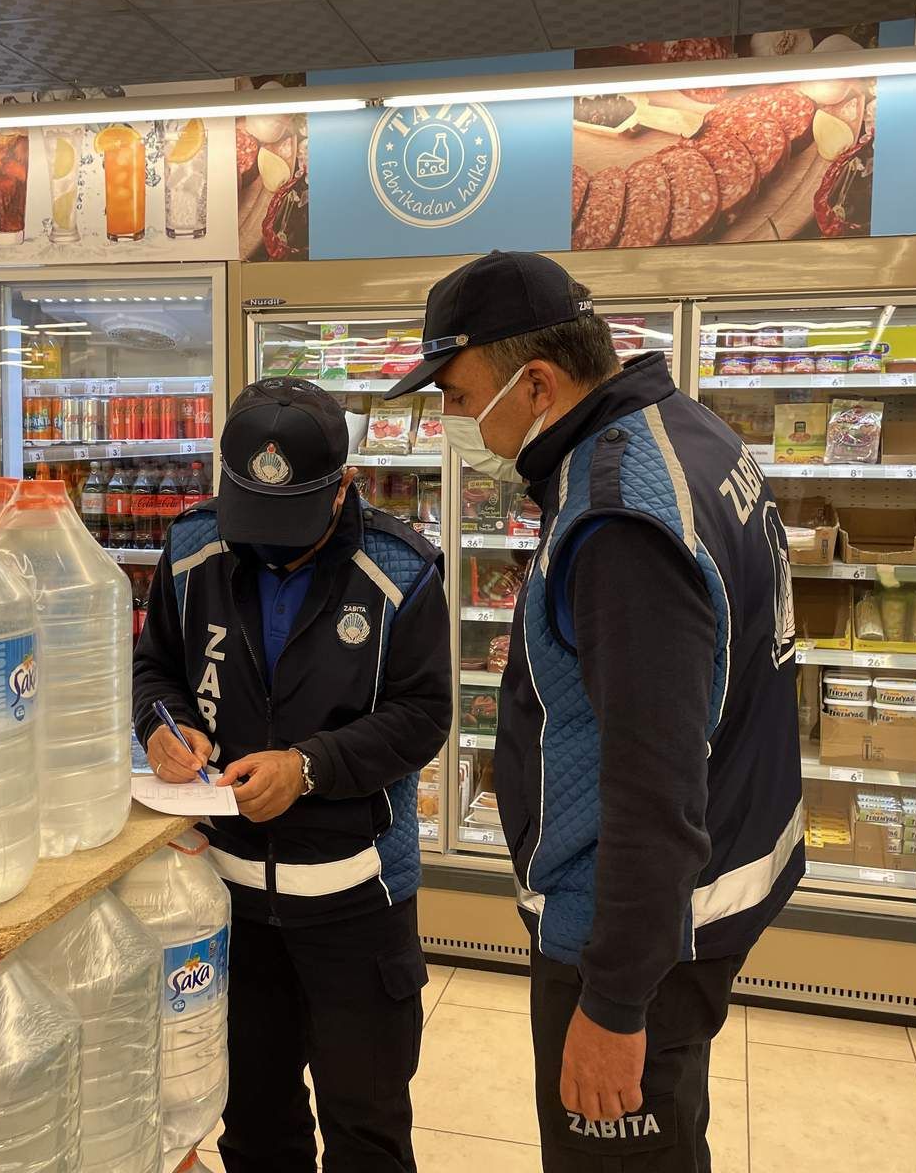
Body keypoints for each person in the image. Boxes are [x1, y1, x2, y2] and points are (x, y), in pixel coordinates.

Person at [387, 251, 804, 1171]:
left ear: (536, 382)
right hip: (693, 897)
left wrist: (615, 1003)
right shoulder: (682, 429)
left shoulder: (618, 521)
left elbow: (654, 787)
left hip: (636, 933)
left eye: (456, 396)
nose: (450, 420)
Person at [133, 377, 451, 1173]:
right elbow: (155, 669)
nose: (269, 544)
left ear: (344, 486)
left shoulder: (402, 570)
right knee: (253, 1125)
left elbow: (422, 715)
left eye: (291, 521)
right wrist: (163, 727)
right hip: (223, 899)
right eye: (253, 517)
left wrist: (309, 768)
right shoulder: (193, 549)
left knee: (366, 1129)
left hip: (358, 902)